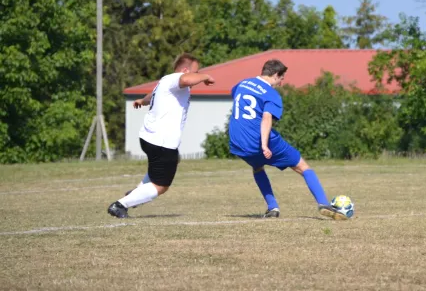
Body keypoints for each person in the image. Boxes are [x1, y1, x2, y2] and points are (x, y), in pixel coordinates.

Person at [228, 59, 347, 220]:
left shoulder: (243, 83)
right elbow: (267, 118)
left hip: (236, 141)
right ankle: (323, 203)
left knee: (257, 166)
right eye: (282, 79)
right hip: (258, 139)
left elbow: (235, 96)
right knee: (302, 166)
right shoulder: (271, 94)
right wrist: (264, 144)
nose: (281, 83)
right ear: (276, 75)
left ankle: (272, 208)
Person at [107, 53, 215, 218]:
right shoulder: (178, 79)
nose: (197, 75)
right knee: (161, 186)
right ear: (185, 70)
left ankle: (137, 192)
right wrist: (205, 76)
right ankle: (120, 205)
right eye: (196, 71)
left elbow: (153, 94)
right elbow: (186, 79)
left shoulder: (166, 81)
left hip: (150, 138)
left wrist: (142, 101)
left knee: (174, 160)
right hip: (162, 142)